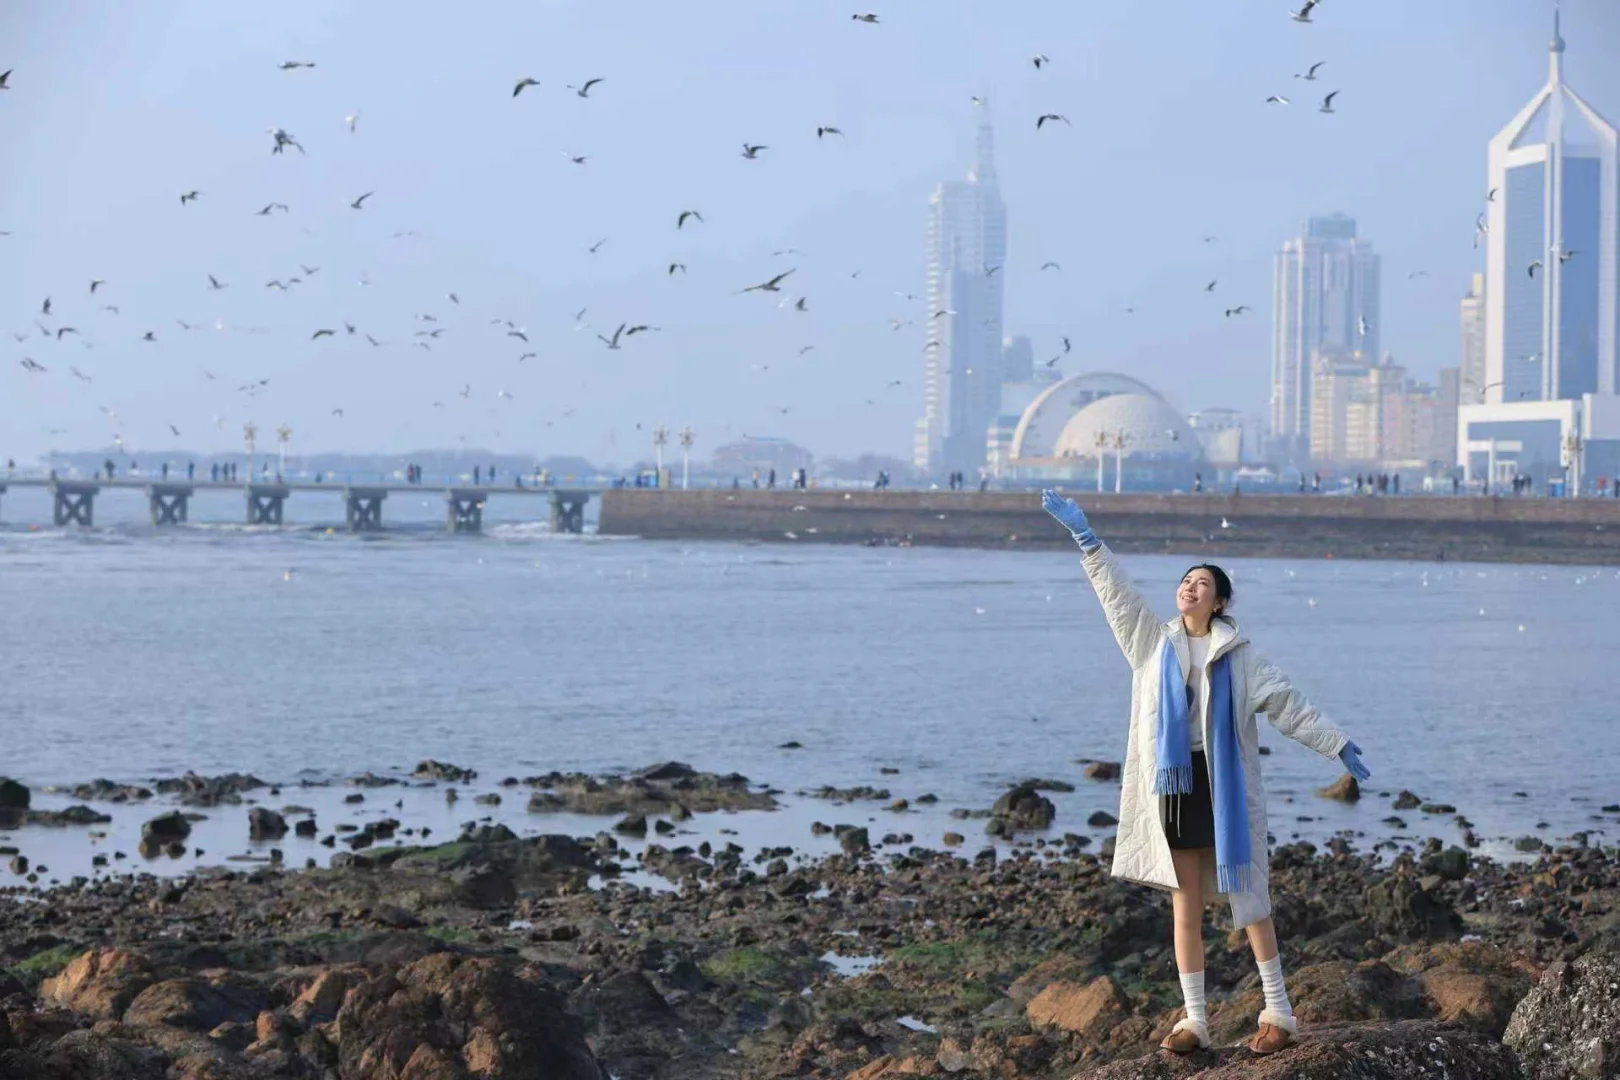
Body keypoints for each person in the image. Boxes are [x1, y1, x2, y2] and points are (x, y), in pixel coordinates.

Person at [1040, 490, 1371, 1057]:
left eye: (1201, 584)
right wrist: (1087, 540)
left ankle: (1279, 1013)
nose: (1188, 587)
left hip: (1224, 790)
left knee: (1251, 899)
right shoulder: (1153, 643)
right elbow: (1116, 598)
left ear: (1218, 602)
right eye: (1185, 580)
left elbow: (1289, 706)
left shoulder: (1240, 657)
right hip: (1175, 785)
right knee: (1184, 904)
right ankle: (1195, 1020)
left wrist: (1336, 744)